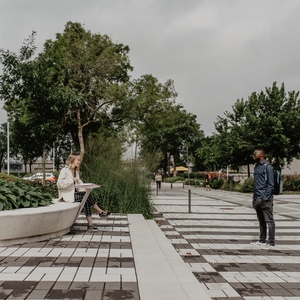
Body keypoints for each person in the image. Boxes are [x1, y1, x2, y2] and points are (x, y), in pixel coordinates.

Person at [57, 154, 111, 232]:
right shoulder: (64, 170)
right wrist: (72, 181)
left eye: (79, 160)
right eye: (78, 160)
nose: (79, 162)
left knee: (86, 199)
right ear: (72, 160)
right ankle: (100, 212)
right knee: (85, 197)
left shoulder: (75, 171)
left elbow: (80, 183)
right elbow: (60, 184)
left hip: (75, 195)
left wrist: (88, 187)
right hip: (66, 196)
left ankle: (90, 225)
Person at [251, 148, 275, 250]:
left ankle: (271, 242)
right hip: (257, 197)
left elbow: (271, 184)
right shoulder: (256, 167)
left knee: (269, 220)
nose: (253, 156)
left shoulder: (268, 167)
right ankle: (262, 240)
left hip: (265, 199)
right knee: (261, 220)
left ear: (261, 155)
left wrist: (265, 197)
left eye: (255, 154)